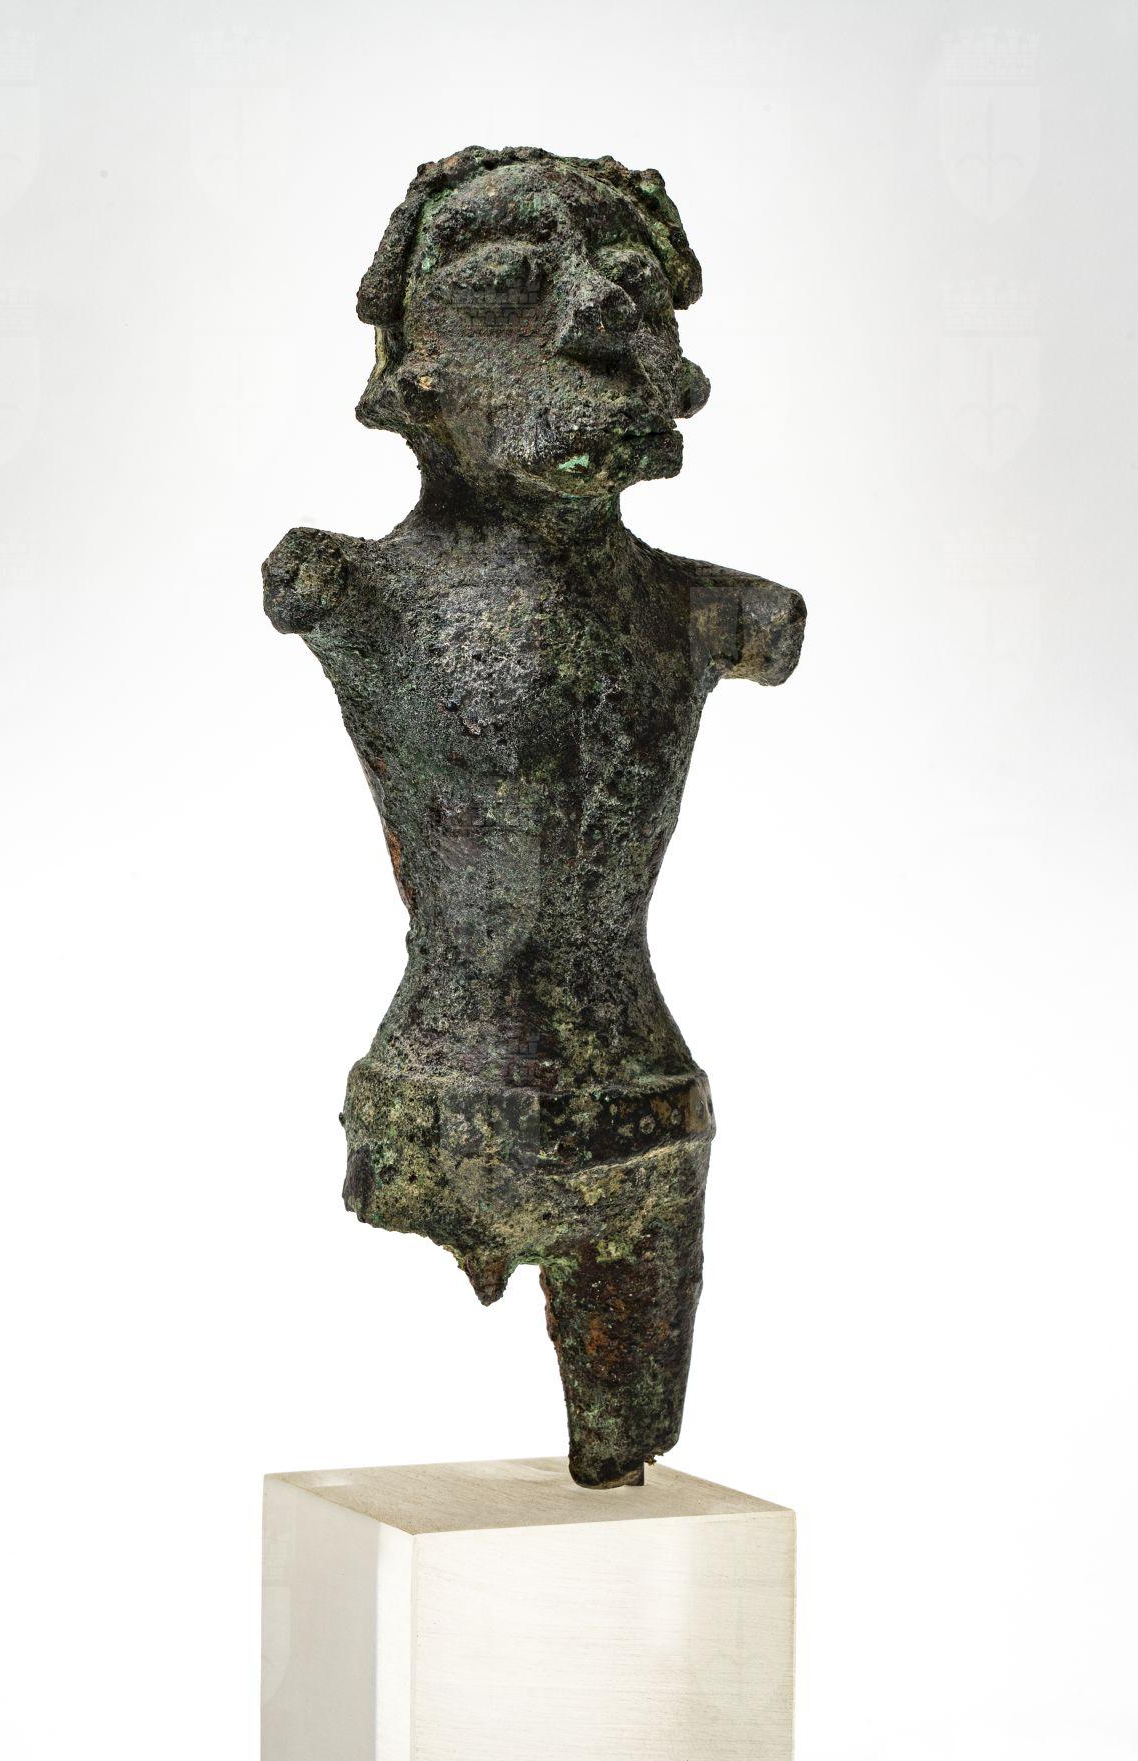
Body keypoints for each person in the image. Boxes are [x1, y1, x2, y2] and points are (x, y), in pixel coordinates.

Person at [263, 146, 806, 1486]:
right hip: (434, 1089)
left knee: (627, 1459)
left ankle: (615, 1459)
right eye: (512, 274)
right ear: (412, 358)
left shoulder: (709, 608)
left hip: (643, 1105)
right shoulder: (348, 588)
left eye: (626, 280)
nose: (596, 305)